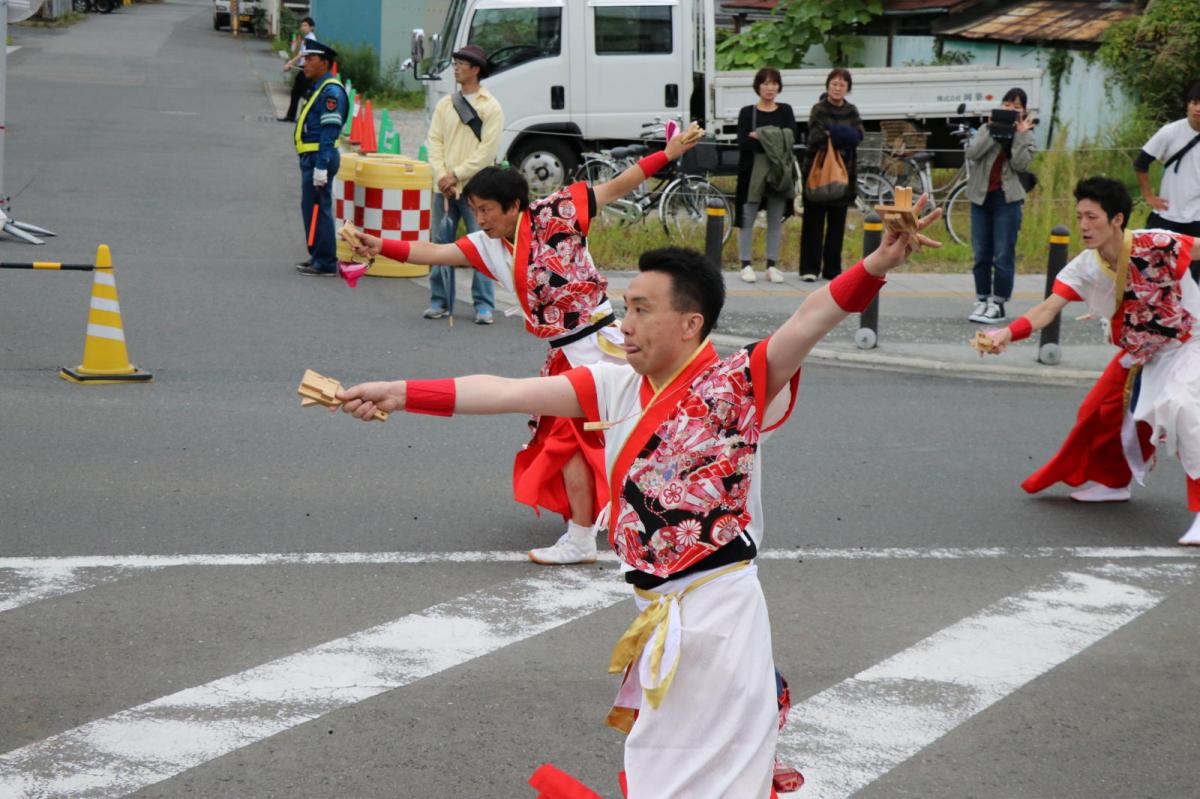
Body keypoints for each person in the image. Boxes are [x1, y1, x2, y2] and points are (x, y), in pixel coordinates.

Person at [334, 202, 941, 796]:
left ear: (690, 324)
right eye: (624, 307)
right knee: (665, 764)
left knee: (706, 776)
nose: (622, 323)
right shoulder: (613, 384)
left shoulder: (738, 382)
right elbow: (506, 391)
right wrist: (400, 392)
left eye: (641, 310)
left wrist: (878, 264)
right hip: (659, 612)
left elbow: (811, 316)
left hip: (720, 611)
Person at [344, 133, 701, 566]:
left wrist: (669, 153)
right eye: (474, 211)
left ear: (515, 205)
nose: (479, 220)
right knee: (569, 440)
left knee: (616, 436)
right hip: (564, 355)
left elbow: (619, 184)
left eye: (487, 210)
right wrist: (381, 246)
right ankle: (592, 528)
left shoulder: (559, 212)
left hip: (606, 347)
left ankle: (594, 532)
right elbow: (434, 251)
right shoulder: (487, 247)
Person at [981, 177, 1200, 546]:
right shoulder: (1086, 266)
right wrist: (1007, 333)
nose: (1083, 225)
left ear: (1116, 219)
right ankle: (1114, 482)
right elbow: (1047, 309)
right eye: (1079, 216)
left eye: (1092, 216)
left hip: (1189, 342)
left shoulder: (1157, 243)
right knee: (1098, 412)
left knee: (1183, 410)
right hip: (1141, 354)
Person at [424, 45, 501, 325]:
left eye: (461, 64)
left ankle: (483, 304)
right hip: (443, 187)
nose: (455, 67)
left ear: (476, 69)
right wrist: (441, 175)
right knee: (438, 246)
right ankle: (439, 300)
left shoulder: (490, 106)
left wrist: (455, 174)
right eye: (455, 63)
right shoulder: (446, 104)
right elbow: (434, 141)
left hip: (476, 189)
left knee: (481, 246)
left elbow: (487, 150)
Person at [964, 87, 1037, 324]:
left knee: (1003, 254)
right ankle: (982, 299)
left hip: (1007, 199)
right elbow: (973, 153)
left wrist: (1020, 135)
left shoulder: (1027, 135)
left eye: (1017, 106)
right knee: (981, 253)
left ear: (1024, 111)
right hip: (981, 198)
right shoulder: (987, 128)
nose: (1011, 109)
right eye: (1007, 104)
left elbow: (1020, 165)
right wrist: (993, 130)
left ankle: (999, 303)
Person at [800, 68, 863, 282]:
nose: (837, 88)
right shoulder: (819, 109)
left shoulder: (852, 110)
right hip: (818, 173)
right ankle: (809, 268)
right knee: (813, 223)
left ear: (848, 88)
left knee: (837, 226)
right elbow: (816, 136)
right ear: (828, 86)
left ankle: (832, 270)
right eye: (834, 83)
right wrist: (841, 134)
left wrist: (832, 132)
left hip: (845, 176)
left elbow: (858, 136)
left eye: (842, 84)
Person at [735, 67, 797, 285]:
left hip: (779, 172)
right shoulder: (747, 112)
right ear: (758, 86)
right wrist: (774, 137)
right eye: (765, 83)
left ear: (779, 86)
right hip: (751, 174)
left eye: (774, 83)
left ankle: (772, 265)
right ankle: (745, 264)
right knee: (747, 218)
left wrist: (760, 134)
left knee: (775, 220)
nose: (770, 88)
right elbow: (743, 142)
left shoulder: (786, 110)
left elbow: (790, 138)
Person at [1134, 79, 1200, 281]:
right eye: (1194, 102)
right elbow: (1141, 163)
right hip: (1166, 214)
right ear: (1187, 104)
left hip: (1197, 218)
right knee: (1148, 269)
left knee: (1191, 277)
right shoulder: (1170, 132)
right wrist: (1148, 195)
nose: (1198, 108)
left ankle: (1188, 312)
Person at [293, 40, 348, 277]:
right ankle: (317, 254)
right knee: (311, 207)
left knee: (319, 207)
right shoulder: (320, 88)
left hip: (319, 157)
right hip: (313, 156)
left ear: (325, 63)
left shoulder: (331, 92)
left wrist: (321, 165)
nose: (305, 63)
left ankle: (325, 261)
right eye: (304, 59)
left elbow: (329, 130)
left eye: (311, 59)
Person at [278, 16, 317, 124]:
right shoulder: (307, 37)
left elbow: (302, 55)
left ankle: (307, 119)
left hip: (306, 70)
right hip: (303, 69)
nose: (302, 27)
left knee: (306, 95)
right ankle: (291, 116)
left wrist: (290, 63)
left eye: (305, 25)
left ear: (311, 27)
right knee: (296, 93)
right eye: (302, 25)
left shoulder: (311, 39)